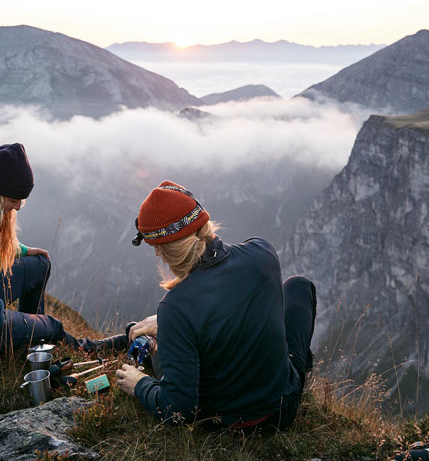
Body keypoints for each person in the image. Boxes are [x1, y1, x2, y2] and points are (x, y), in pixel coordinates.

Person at [0, 143, 125, 402]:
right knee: (53, 325)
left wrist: (20, 250)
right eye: (13, 201)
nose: (18, 206)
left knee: (40, 264)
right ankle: (86, 348)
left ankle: (31, 346)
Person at [113, 180, 318, 430]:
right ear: (203, 223)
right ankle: (290, 368)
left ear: (160, 250)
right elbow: (224, 295)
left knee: (178, 350)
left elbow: (178, 409)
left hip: (230, 423)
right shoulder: (262, 253)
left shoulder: (176, 307)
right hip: (283, 404)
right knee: (299, 286)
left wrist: (139, 384)